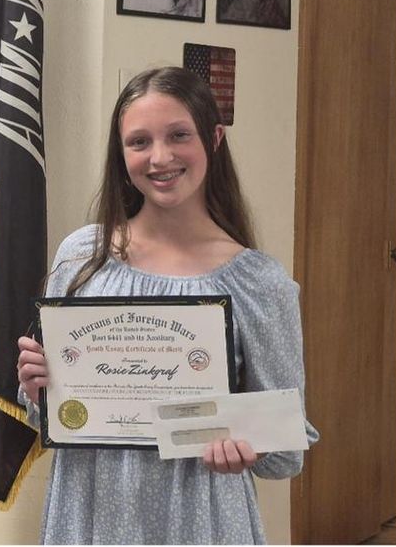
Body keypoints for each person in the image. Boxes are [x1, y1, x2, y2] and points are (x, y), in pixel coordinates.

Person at [16, 66, 319, 544]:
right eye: (139, 142)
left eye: (179, 135)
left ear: (214, 139)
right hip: (90, 510)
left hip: (199, 518)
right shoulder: (80, 256)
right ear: (121, 152)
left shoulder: (260, 283)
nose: (160, 157)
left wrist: (247, 447)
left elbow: (285, 454)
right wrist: (37, 389)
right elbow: (54, 417)